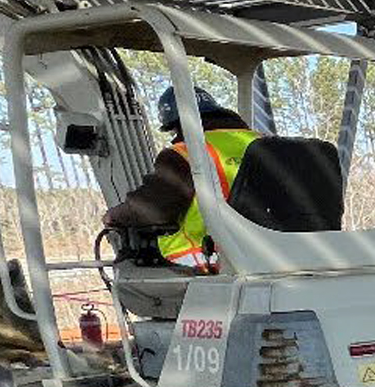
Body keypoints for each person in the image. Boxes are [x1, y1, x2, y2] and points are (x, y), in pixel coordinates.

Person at [103, 84, 259, 272]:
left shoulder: (185, 153)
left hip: (205, 264)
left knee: (128, 277)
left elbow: (153, 210)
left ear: (178, 124)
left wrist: (115, 216)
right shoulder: (263, 143)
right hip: (269, 257)